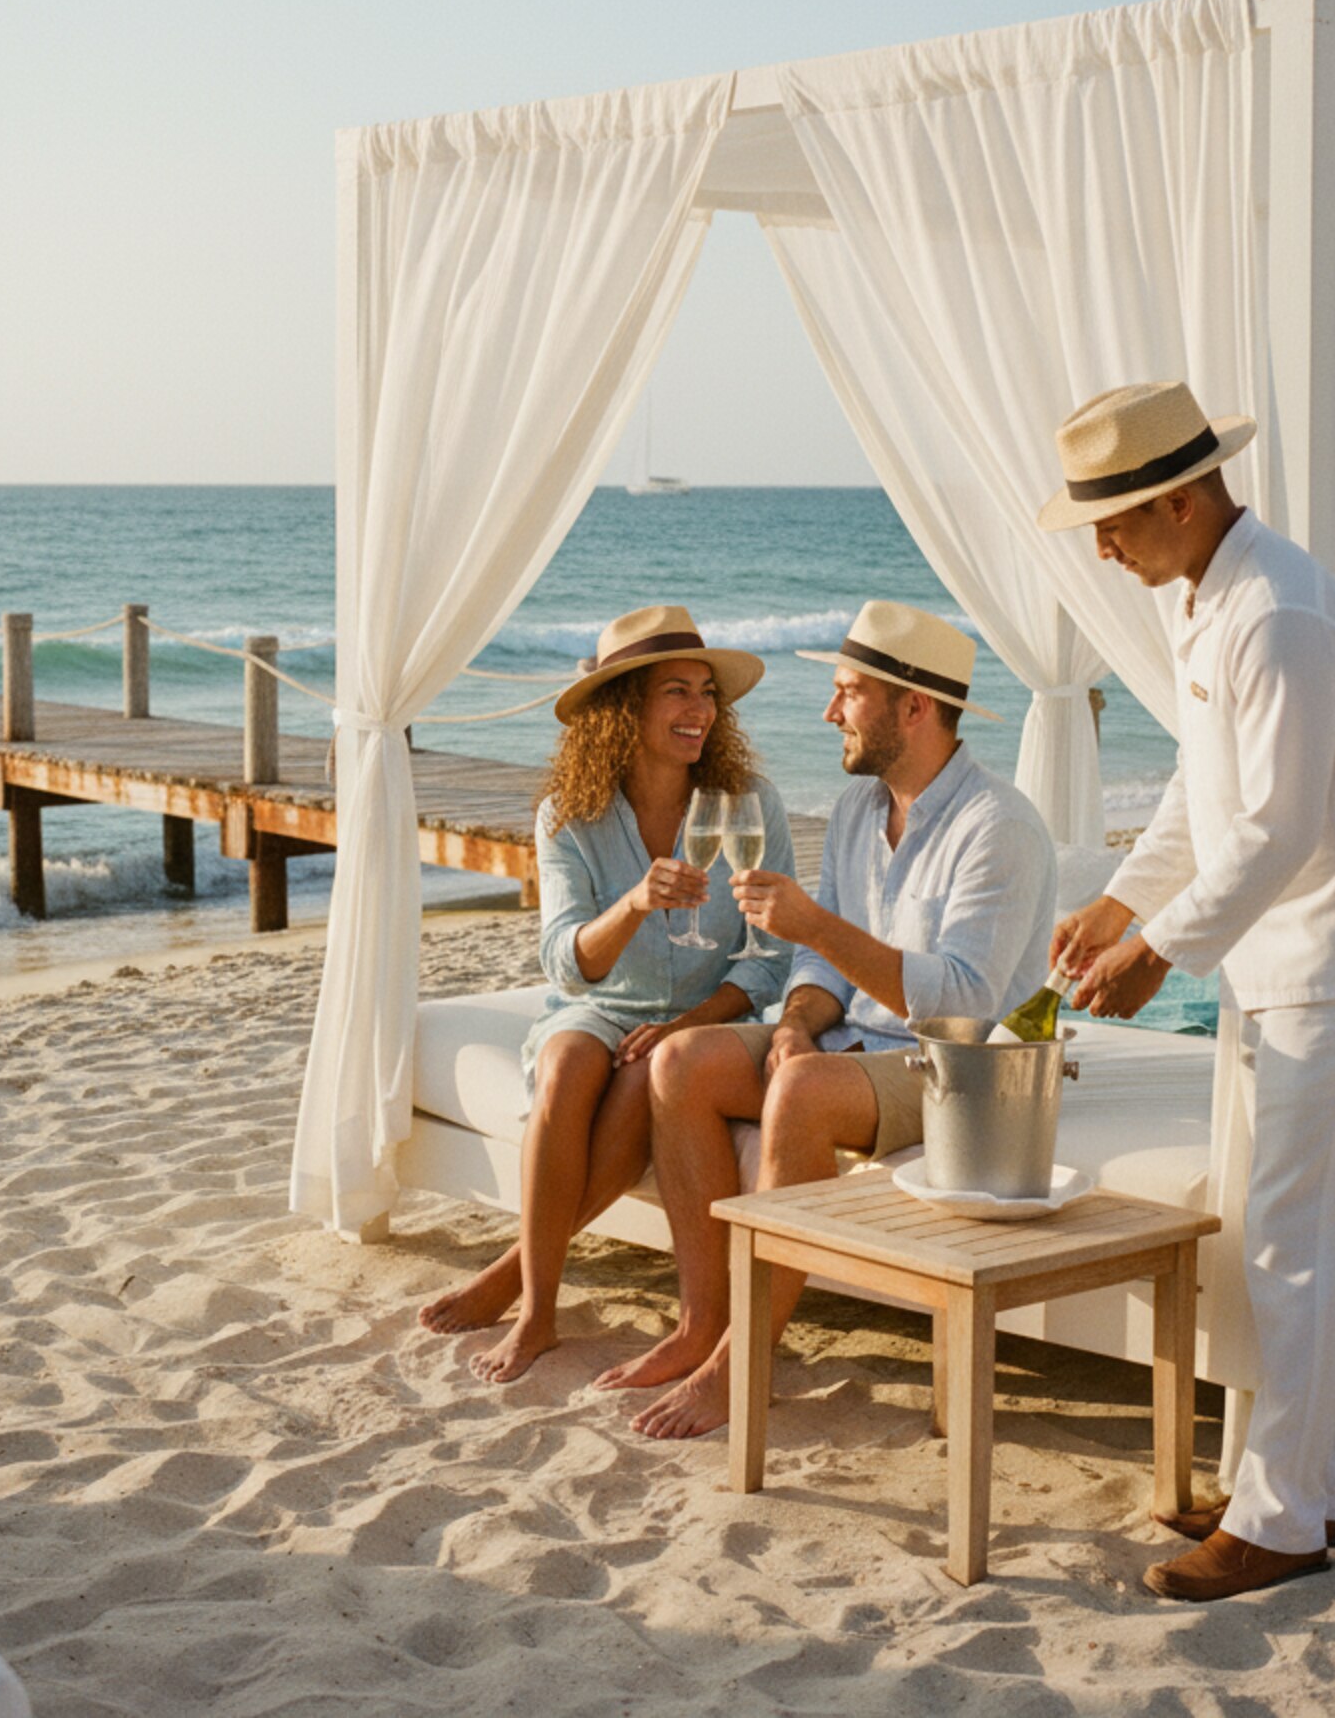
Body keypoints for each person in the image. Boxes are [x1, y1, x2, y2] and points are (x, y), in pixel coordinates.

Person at [1041, 381, 1335, 1603]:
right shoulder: (1206, 596)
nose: (1100, 547)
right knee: (1289, 1241)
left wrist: (1155, 949)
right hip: (1285, 963)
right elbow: (1200, 782)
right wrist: (1120, 899)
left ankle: (1279, 1521)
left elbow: (1277, 827)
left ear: (1178, 499)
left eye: (1111, 521)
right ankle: (1299, 1491)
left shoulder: (1276, 615)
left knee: (1292, 1246)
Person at [622, 601, 1057, 1439]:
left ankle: (742, 1360)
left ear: (914, 706)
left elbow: (963, 1000)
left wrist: (815, 929)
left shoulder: (998, 826)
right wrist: (794, 1022)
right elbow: (821, 966)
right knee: (680, 1062)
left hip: (958, 1069)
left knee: (805, 1091)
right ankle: (702, 1323)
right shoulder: (860, 809)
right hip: (851, 1041)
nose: (829, 712)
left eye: (848, 692)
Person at [416, 605, 794, 1383]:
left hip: (709, 1013)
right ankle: (538, 1313)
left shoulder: (748, 802)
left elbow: (770, 958)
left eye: (707, 692)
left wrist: (688, 1024)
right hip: (601, 1004)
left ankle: (512, 1275)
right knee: (566, 1069)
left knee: (640, 1079)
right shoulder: (568, 815)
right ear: (623, 708)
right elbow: (565, 963)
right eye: (676, 691)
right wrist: (635, 902)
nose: (699, 710)